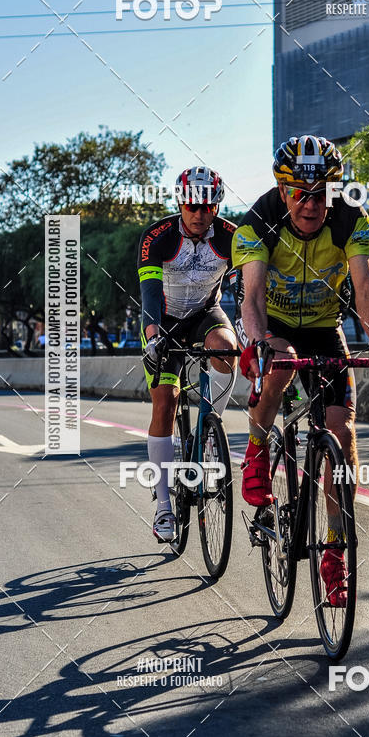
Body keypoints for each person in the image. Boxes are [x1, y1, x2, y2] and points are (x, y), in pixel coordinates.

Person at [232, 135, 369, 606]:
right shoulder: (259, 221)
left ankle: (334, 549)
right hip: (275, 324)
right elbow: (251, 299)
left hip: (326, 327)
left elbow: (366, 289)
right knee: (281, 366)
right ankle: (256, 451)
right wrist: (258, 344)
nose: (311, 204)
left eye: (322, 193)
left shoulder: (351, 219)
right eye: (300, 194)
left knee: (341, 432)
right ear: (283, 191)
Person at [138, 166, 238, 542]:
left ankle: (209, 433)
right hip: (164, 320)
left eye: (207, 207)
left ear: (216, 207)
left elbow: (246, 287)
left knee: (227, 350)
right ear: (181, 204)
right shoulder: (158, 237)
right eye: (192, 206)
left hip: (205, 314)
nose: (199, 214)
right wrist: (153, 337)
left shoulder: (231, 237)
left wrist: (250, 331)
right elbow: (149, 295)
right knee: (165, 402)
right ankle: (164, 507)